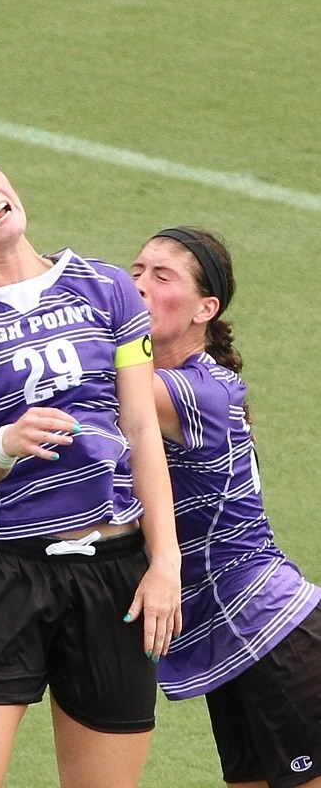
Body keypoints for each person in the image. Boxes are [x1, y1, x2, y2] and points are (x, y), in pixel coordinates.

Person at [0, 137, 182, 788]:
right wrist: (8, 441)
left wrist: (164, 561)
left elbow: (140, 428)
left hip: (114, 574)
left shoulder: (105, 288)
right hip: (2, 574)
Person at [131, 227, 321, 788]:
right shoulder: (170, 382)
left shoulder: (197, 391)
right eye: (136, 271)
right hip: (231, 648)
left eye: (162, 277)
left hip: (273, 635)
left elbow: (100, 384)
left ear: (204, 309)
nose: (140, 285)